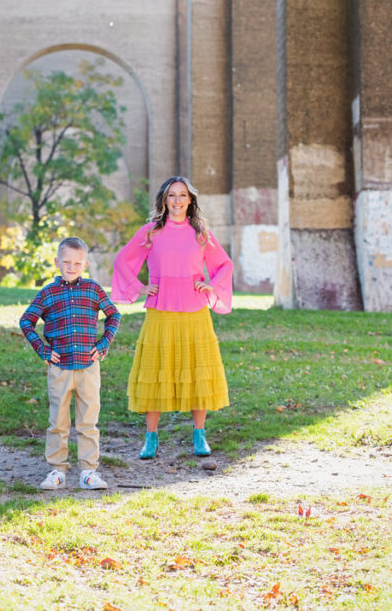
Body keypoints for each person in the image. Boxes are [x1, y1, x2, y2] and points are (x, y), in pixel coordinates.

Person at [111, 176, 233, 459]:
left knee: (197, 371)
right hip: (160, 309)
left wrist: (210, 285)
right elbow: (122, 260)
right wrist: (140, 287)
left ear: (190, 200)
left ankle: (199, 435)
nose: (177, 201)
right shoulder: (151, 232)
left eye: (182, 196)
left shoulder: (201, 233)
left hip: (195, 311)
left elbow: (224, 264)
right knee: (155, 370)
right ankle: (150, 438)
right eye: (171, 196)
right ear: (164, 201)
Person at [20, 237, 121, 491]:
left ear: (85, 264)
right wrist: (43, 349)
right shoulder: (48, 293)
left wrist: (102, 345)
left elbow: (113, 315)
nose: (72, 267)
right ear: (57, 262)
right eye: (66, 262)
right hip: (60, 367)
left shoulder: (94, 290)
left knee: (88, 421)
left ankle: (89, 471)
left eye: (77, 263)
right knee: (58, 421)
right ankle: (57, 470)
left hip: (88, 366)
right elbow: (26, 321)